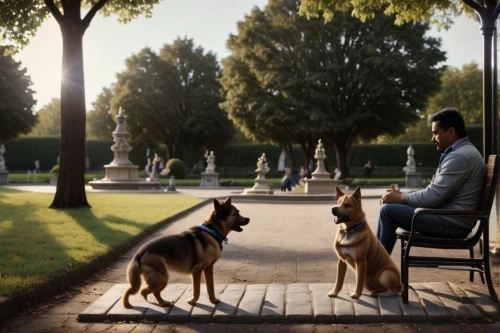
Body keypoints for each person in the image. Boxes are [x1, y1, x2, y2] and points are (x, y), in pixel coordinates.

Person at [376, 107, 486, 255]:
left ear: (451, 132)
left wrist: (401, 197)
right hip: (453, 219)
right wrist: (400, 196)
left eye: (435, 133)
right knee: (391, 206)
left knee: (388, 211)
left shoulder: (459, 157)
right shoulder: (462, 152)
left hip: (452, 225)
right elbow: (433, 192)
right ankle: (377, 269)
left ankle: (376, 270)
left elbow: (432, 197)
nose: (432, 138)